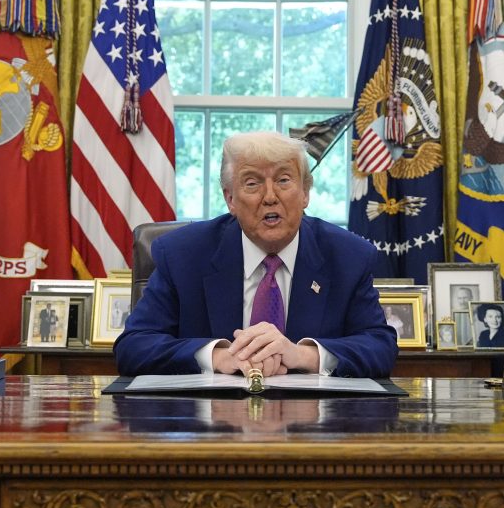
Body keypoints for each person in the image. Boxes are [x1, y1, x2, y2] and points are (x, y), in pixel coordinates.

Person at [115, 131, 397, 378]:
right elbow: (134, 346)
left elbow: (380, 347)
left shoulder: (348, 256)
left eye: (284, 180)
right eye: (252, 183)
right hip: (209, 428)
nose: (270, 196)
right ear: (230, 199)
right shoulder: (182, 254)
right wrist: (218, 356)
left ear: (305, 194)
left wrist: (302, 355)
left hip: (313, 427)